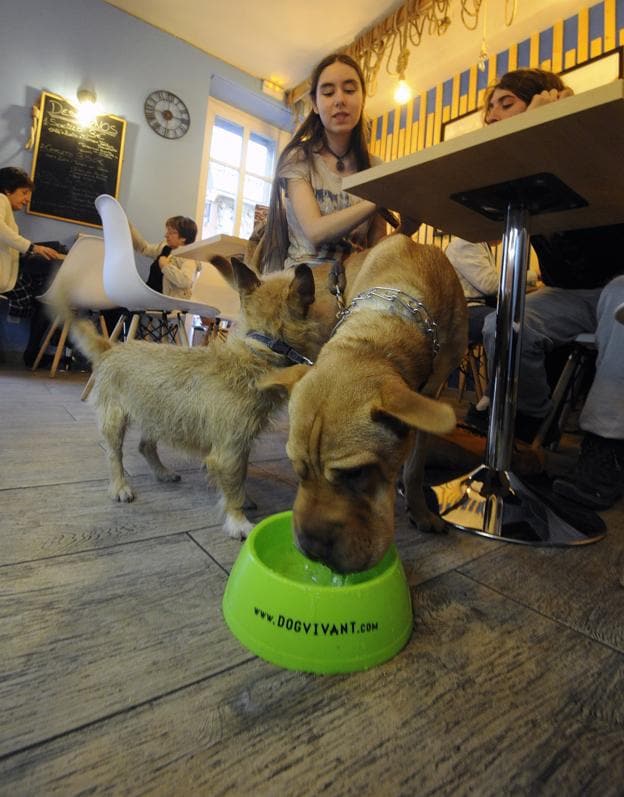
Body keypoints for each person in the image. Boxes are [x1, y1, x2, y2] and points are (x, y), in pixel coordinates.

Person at [480, 68, 624, 509]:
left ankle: (607, 449)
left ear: (545, 101)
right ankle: (527, 425)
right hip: (568, 293)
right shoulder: (514, 169)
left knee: (622, 304)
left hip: (614, 283)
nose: (492, 116)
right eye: (490, 108)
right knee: (498, 323)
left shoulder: (583, 144)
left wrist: (550, 119)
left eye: (507, 104)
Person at [257, 53, 389, 274]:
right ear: (315, 105)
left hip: (353, 283)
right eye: (328, 92)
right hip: (302, 283)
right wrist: (376, 201)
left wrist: (409, 224)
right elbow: (315, 231)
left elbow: (378, 250)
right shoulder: (299, 158)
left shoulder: (375, 167)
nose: (340, 100)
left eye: (349, 90)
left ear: (363, 99)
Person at [0, 167, 62, 313]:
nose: (27, 199)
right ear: (8, 190)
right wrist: (33, 248)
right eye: (24, 193)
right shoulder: (1, 198)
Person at [130, 215, 198, 299]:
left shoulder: (189, 258)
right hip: (149, 298)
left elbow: (185, 282)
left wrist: (165, 266)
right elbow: (144, 249)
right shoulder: (165, 249)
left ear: (183, 238)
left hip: (165, 306)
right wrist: (128, 227)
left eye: (171, 232)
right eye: (167, 232)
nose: (166, 235)